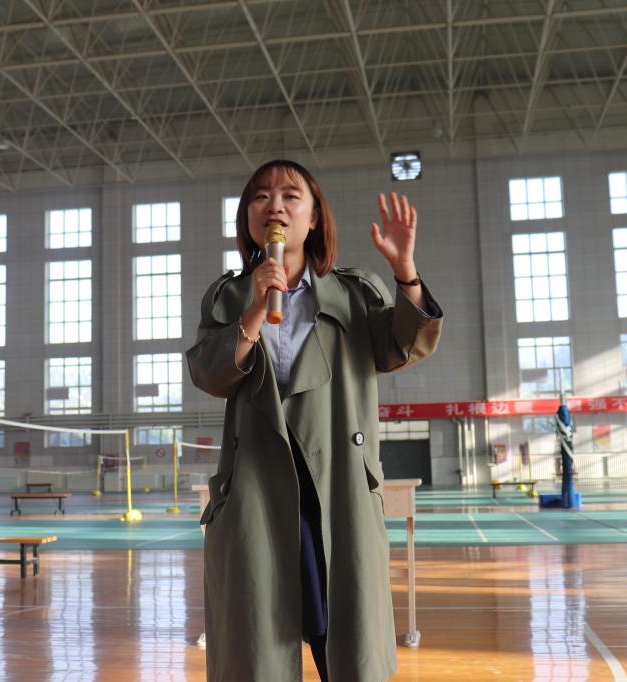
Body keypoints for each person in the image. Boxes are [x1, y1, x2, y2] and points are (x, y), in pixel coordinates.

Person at [186, 160, 443, 681]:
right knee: (258, 649)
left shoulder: (355, 292)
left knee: (344, 644)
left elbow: (404, 345)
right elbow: (209, 373)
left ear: (314, 217)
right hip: (256, 487)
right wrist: (254, 310)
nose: (274, 206)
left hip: (337, 484)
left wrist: (405, 272)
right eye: (260, 196)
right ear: (248, 218)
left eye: (290, 195)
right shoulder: (228, 296)